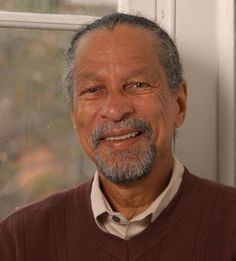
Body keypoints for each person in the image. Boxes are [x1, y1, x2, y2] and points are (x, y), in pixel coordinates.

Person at [0, 13, 236, 261]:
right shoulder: (18, 241)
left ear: (179, 104)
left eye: (137, 85)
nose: (115, 110)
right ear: (74, 114)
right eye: (92, 90)